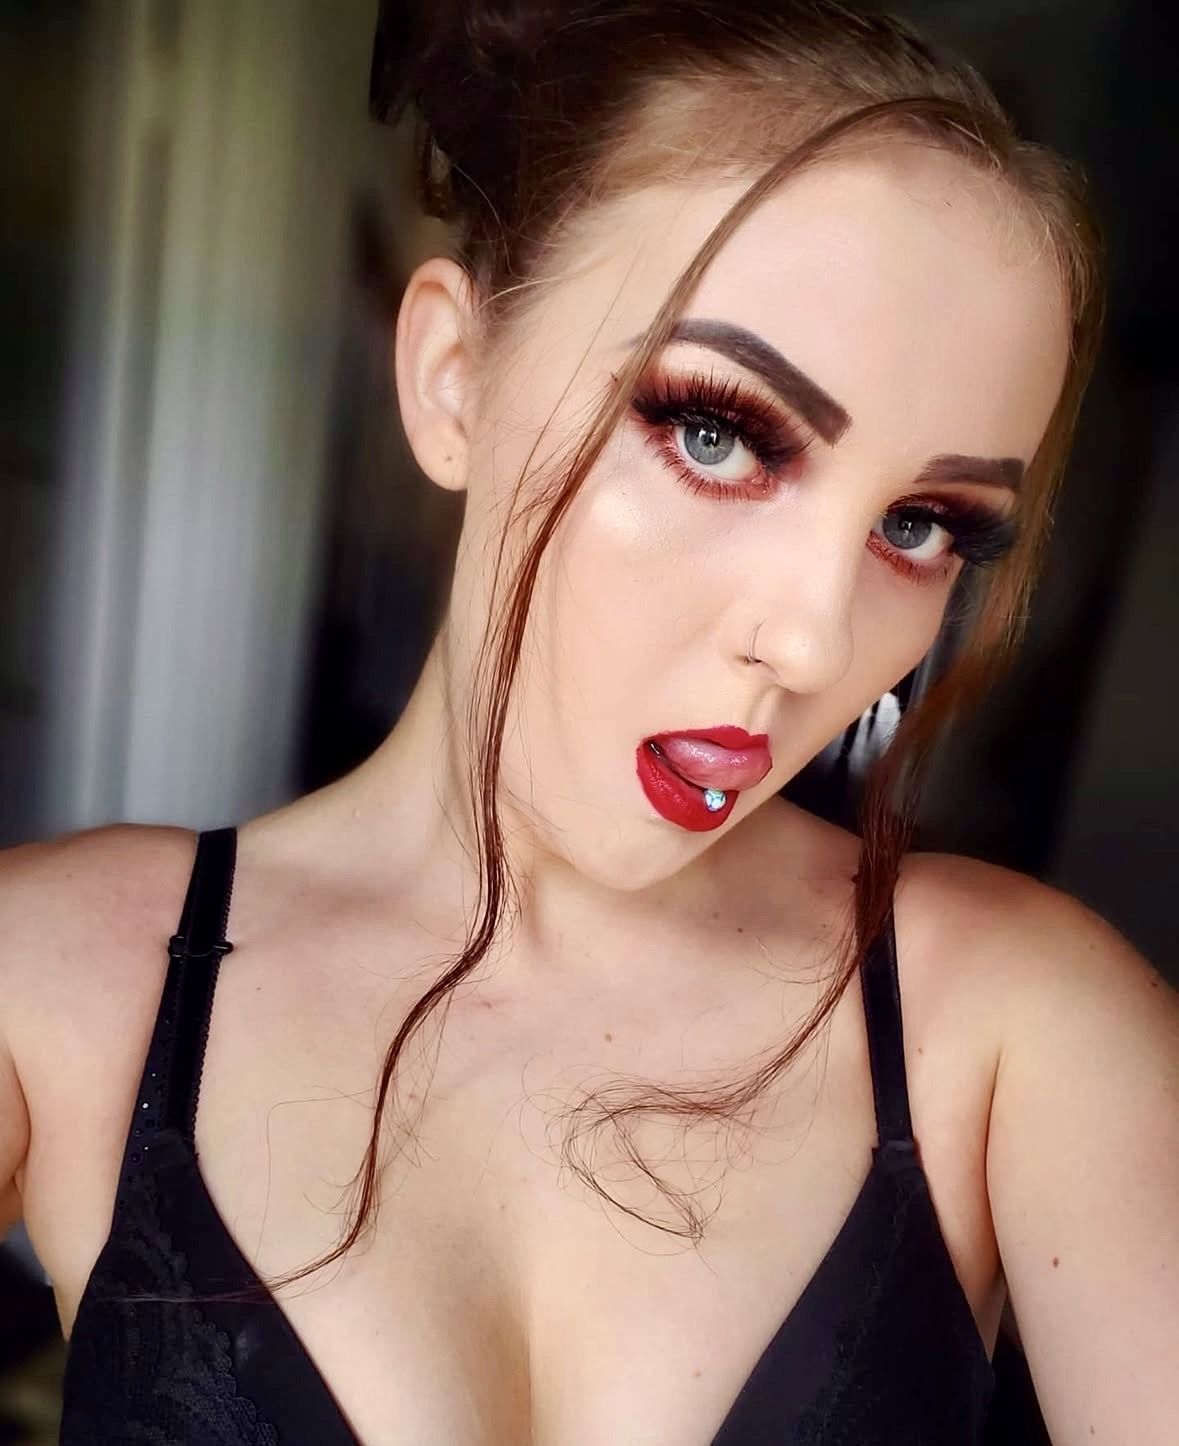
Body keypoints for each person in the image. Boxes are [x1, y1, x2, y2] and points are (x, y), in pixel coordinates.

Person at [2, 2, 1176, 1441]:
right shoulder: (52, 982)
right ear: (454, 378)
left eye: (923, 524)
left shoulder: (1023, 1032)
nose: (815, 641)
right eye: (715, 434)